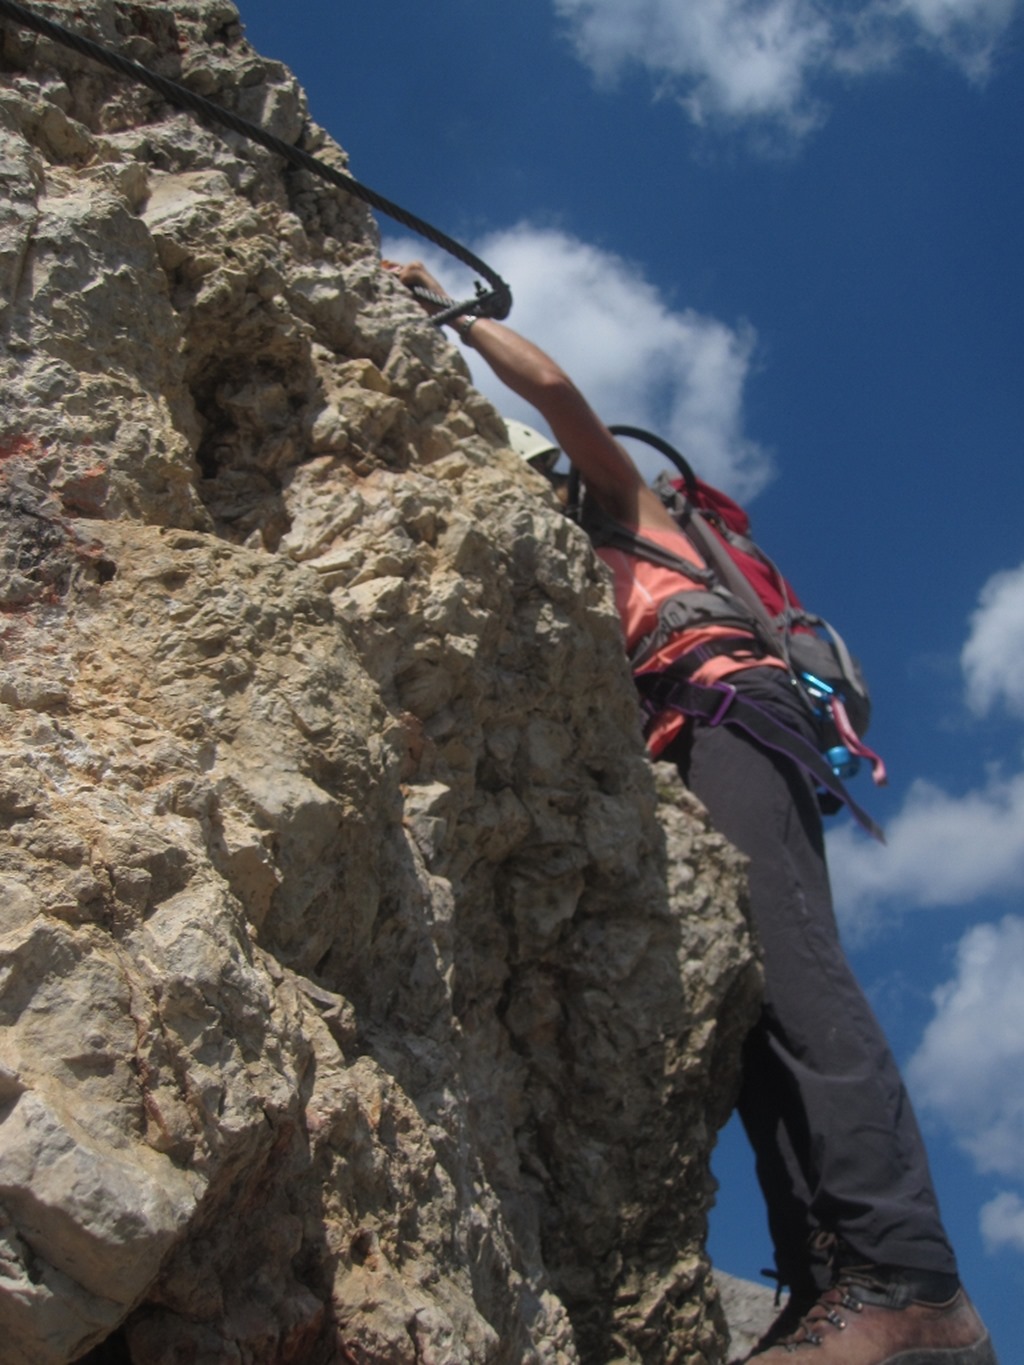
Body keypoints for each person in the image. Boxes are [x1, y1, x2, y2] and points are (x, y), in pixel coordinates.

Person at [385, 260, 997, 1365]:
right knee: (755, 1009)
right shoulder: (585, 572)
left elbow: (563, 394)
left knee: (795, 973)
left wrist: (458, 318)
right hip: (695, 736)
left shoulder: (630, 509)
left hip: (728, 709)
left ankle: (910, 1279)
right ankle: (833, 1290)